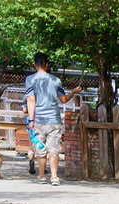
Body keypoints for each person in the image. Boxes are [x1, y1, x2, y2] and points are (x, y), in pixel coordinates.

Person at [25, 52, 83, 186]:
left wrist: (31, 120)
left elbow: (31, 99)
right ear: (47, 65)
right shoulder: (56, 80)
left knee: (40, 149)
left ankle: (41, 176)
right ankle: (55, 177)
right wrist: (74, 92)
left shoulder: (30, 79)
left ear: (34, 64)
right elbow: (63, 100)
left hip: (38, 120)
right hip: (54, 120)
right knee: (54, 149)